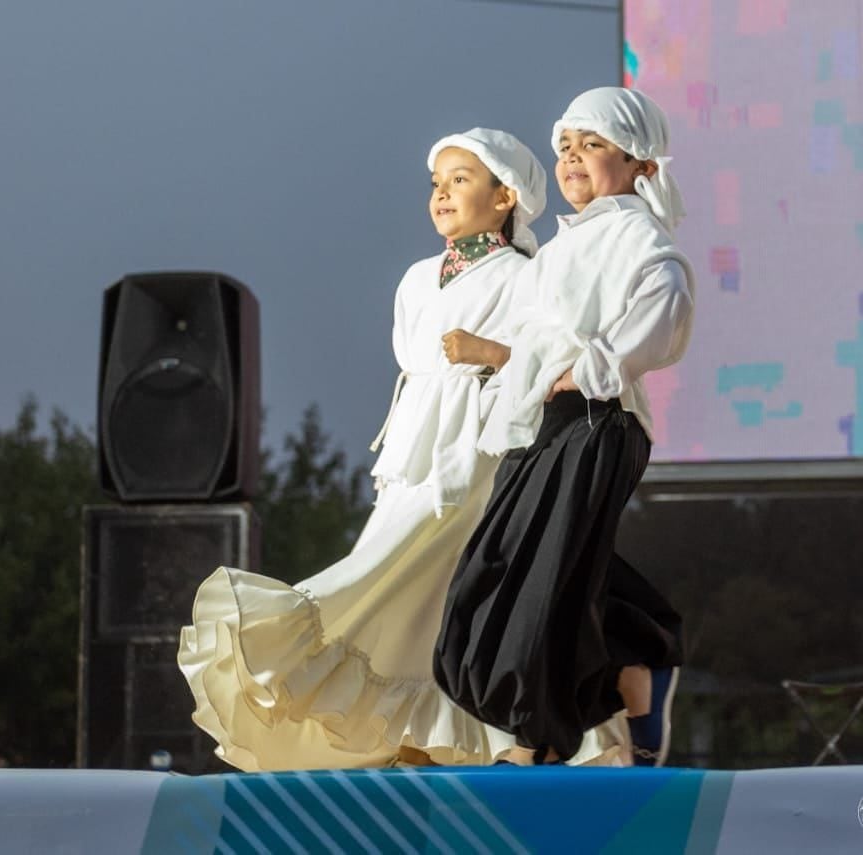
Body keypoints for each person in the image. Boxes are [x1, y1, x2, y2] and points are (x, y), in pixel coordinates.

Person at [177, 128, 626, 769]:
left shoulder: (528, 277)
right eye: (436, 183)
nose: (442, 193)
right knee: (416, 596)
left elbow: (547, 360)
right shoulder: (418, 279)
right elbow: (415, 367)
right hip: (414, 453)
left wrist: (488, 355)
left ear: (505, 198)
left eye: (461, 180)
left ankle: (484, 722)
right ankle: (418, 735)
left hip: (479, 446)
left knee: (440, 579)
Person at [433, 87, 695, 767]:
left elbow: (667, 302)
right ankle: (631, 661)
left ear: (639, 163)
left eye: (594, 144)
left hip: (593, 421)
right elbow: (533, 342)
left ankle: (537, 738)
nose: (574, 158)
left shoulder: (637, 234)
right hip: (544, 424)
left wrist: (590, 371)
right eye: (567, 146)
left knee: (538, 579)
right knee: (505, 570)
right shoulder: (564, 243)